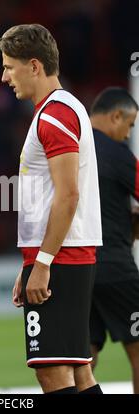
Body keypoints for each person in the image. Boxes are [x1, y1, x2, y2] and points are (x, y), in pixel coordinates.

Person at [0, 23, 103, 394]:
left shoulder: (54, 115)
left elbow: (68, 195)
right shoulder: (61, 108)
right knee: (77, 371)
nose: (4, 76)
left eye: (9, 66)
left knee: (52, 371)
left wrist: (42, 262)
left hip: (63, 256)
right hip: (63, 252)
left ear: (34, 65)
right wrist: (31, 260)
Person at [89, 87, 139, 394]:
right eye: (130, 125)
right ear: (116, 116)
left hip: (77, 267)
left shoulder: (72, 146)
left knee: (83, 356)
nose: (128, 133)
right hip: (116, 267)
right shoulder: (117, 153)